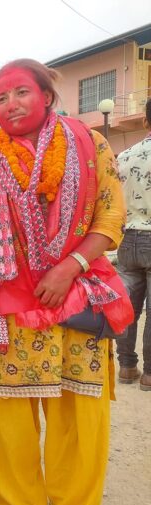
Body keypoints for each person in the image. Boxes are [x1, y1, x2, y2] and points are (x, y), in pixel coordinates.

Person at [0, 59, 133, 505]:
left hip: (76, 301)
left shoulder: (89, 143)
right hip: (7, 312)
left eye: (21, 92)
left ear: (47, 96)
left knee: (78, 419)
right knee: (10, 426)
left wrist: (70, 266)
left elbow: (111, 215)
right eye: (0, 98)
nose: (11, 104)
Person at [115, 97, 151, 391]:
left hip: (128, 238)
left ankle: (127, 367)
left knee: (127, 305)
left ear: (145, 120)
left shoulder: (125, 156)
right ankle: (149, 374)